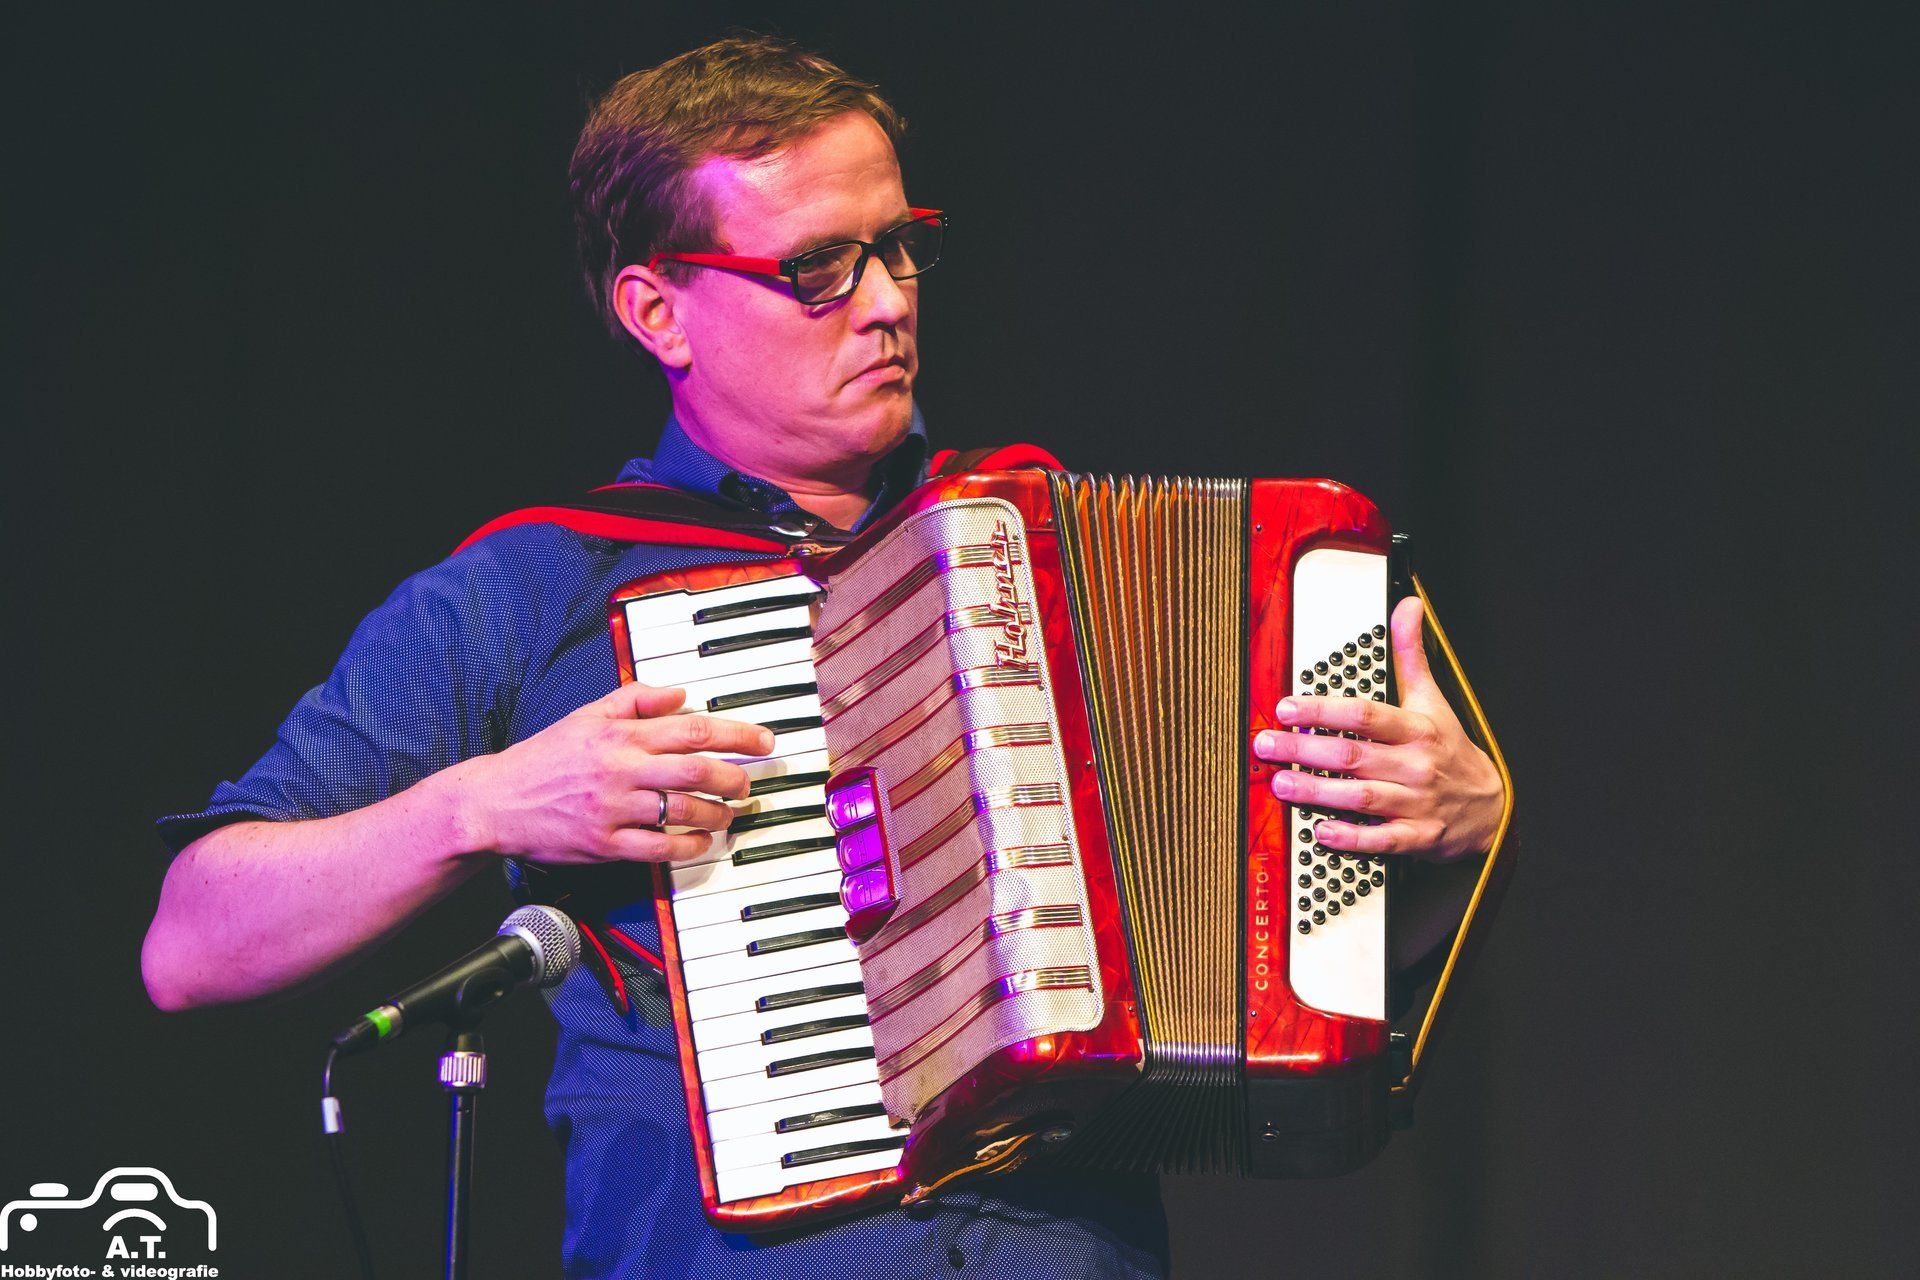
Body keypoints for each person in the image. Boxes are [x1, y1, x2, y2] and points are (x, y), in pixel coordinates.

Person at [142, 34, 1505, 1279]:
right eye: (814, 268)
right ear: (659, 312)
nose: (886, 302)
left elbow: (1284, 983)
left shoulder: (1057, 558)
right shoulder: (532, 588)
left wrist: (1437, 838)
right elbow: (193, 940)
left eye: (897, 248)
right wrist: (483, 804)